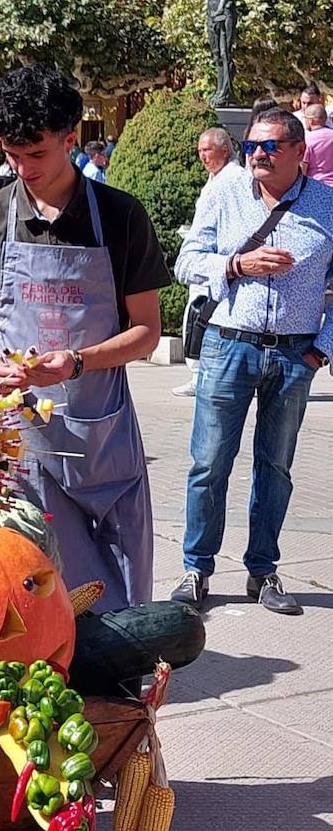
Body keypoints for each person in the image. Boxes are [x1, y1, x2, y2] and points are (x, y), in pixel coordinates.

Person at [0, 65, 169, 612]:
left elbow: (146, 332)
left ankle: (122, 673)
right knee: (33, 573)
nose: (23, 168)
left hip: (101, 426)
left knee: (118, 569)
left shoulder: (120, 217)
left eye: (37, 154)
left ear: (73, 137)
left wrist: (75, 362)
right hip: (20, 430)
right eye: (12, 154)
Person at [172, 108, 333, 616]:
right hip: (228, 344)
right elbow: (186, 261)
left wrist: (322, 347)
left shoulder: (327, 204)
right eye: (251, 147)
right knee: (209, 463)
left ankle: (263, 571)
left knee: (276, 467)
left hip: (293, 353)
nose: (258, 155)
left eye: (270, 147)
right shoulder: (225, 191)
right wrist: (236, 264)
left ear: (298, 152)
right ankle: (196, 568)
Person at [173, 127, 244, 397]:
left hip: (220, 264)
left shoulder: (234, 179)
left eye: (208, 150)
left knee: (203, 319)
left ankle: (203, 374)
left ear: (224, 151)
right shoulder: (215, 178)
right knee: (196, 318)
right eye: (200, 150)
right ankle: (198, 373)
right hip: (203, 262)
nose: (202, 156)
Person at [301, 103, 333, 186]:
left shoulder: (306, 139)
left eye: (305, 118)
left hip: (316, 186)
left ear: (311, 120)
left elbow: (303, 168)